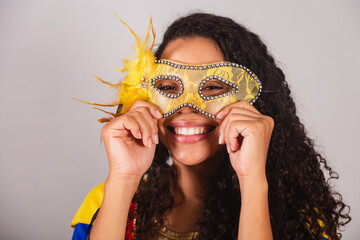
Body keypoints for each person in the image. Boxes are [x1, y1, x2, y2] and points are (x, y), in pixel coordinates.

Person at [71, 13, 351, 240]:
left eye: (214, 87)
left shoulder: (300, 218)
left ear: (253, 105)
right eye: (169, 87)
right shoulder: (104, 201)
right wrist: (122, 178)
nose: (188, 107)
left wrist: (253, 180)